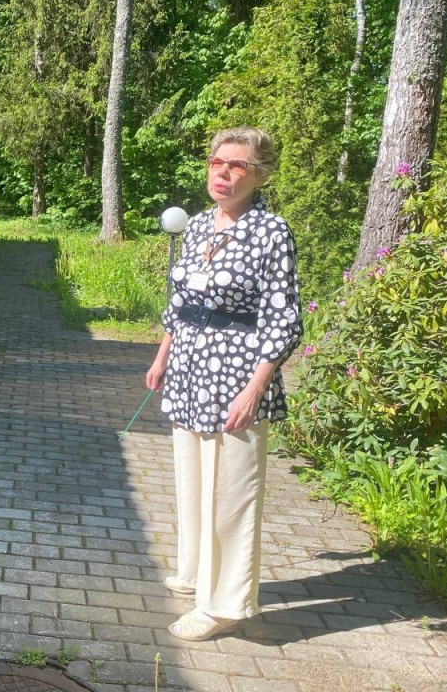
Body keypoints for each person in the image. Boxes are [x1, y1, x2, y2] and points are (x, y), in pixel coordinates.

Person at [145, 126, 302, 641]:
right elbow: (180, 298)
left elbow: (283, 320)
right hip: (189, 367)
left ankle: (226, 604)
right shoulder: (197, 227)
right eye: (217, 162)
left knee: (231, 490)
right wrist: (164, 353)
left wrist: (255, 387)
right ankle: (195, 573)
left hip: (236, 374)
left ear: (260, 175)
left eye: (237, 165)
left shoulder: (271, 232)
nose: (223, 172)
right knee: (192, 478)